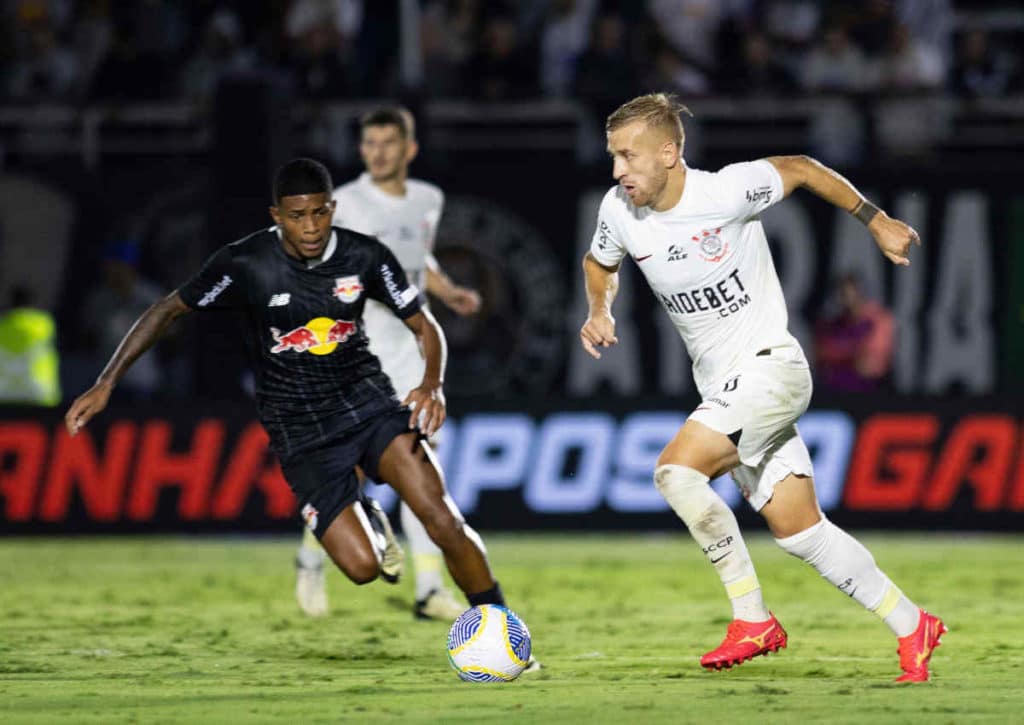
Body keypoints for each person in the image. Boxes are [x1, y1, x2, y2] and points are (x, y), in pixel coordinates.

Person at [65, 160, 534, 670]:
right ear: (277, 215)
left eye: (318, 213)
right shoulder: (245, 263)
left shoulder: (364, 256)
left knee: (441, 517)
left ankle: (504, 629)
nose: (310, 227)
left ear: (331, 210)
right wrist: (106, 382)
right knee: (361, 569)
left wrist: (432, 384)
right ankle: (370, 520)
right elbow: (167, 309)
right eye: (297, 216)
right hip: (301, 433)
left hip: (369, 404)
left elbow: (426, 327)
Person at [580, 93, 944, 682]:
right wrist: (601, 309)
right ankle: (913, 625)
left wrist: (875, 220)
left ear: (669, 153)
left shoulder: (724, 192)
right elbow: (600, 263)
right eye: (613, 158)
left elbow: (801, 168)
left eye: (628, 157)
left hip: (771, 368)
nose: (618, 171)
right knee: (801, 532)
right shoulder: (619, 210)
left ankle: (752, 618)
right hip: (725, 384)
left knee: (676, 472)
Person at [292, 106, 481, 621]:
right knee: (348, 473)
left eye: (386, 143)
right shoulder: (346, 203)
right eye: (369, 143)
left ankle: (427, 588)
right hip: (354, 356)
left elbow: (418, 258)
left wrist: (449, 292)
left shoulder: (427, 199)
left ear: (408, 150)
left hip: (409, 356)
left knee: (422, 469)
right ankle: (310, 561)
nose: (376, 151)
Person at [814, 272, 895, 393]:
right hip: (835, 390)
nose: (846, 300)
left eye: (850, 294)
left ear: (861, 294)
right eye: (842, 295)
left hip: (872, 390)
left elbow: (870, 365)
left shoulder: (878, 320)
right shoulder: (832, 324)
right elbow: (821, 355)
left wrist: (840, 356)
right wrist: (851, 355)